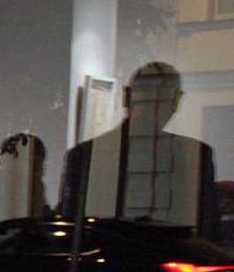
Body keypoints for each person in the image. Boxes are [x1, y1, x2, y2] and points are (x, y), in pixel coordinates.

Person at [58, 62, 221, 243]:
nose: (153, 106)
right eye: (148, 95)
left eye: (160, 97)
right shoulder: (85, 155)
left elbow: (209, 228)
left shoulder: (197, 156)